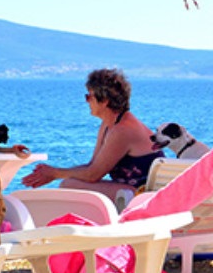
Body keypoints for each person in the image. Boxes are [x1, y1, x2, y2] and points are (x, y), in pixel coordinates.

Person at [22, 68, 161, 202]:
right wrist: (53, 172)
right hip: (132, 191)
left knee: (69, 185)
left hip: (144, 195)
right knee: (70, 184)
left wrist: (54, 173)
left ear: (105, 100)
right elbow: (92, 166)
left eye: (89, 96)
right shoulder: (109, 124)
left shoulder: (123, 130)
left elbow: (93, 174)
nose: (87, 101)